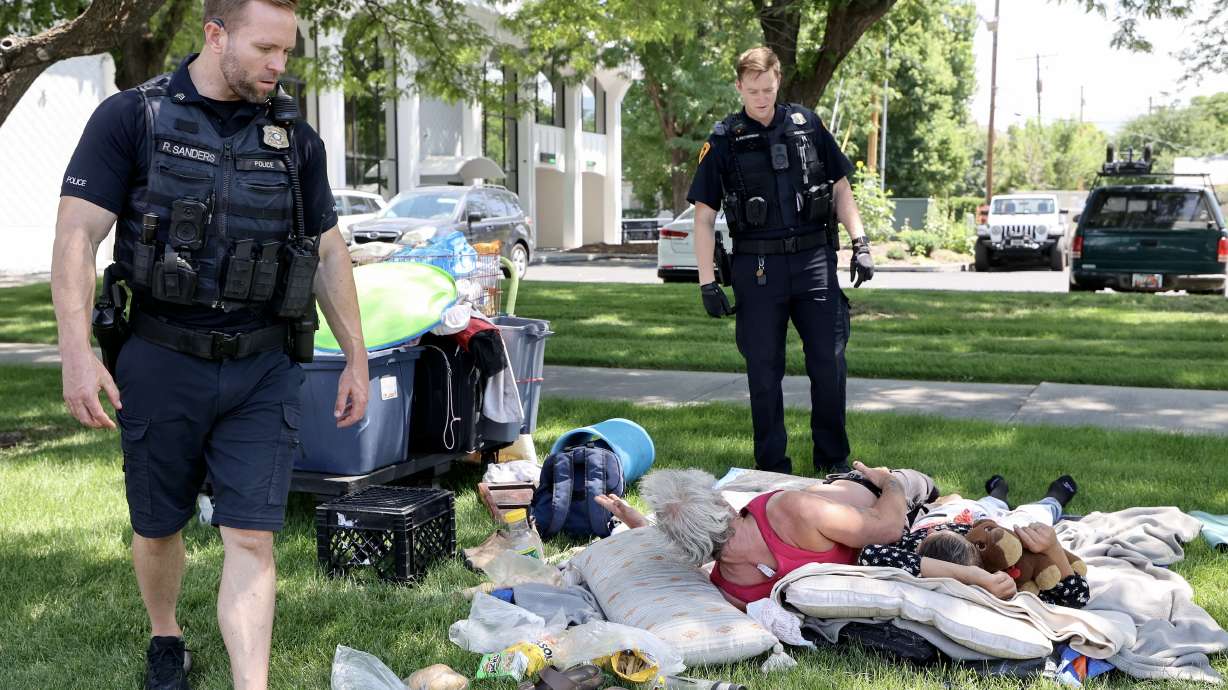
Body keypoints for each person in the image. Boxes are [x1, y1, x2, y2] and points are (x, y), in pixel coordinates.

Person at [51, 1, 367, 688]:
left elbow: (326, 249)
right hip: (161, 357)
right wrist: (76, 352)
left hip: (263, 364)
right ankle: (166, 634)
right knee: (158, 524)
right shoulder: (134, 117)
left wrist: (357, 356)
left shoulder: (294, 137)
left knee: (252, 534)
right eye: (265, 49)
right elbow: (77, 235)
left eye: (288, 52)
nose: (279, 66)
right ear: (215, 34)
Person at [686, 46, 876, 477]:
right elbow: (703, 217)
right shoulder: (723, 141)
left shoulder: (807, 125)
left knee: (829, 363)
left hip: (813, 262)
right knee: (763, 372)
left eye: (768, 89)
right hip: (758, 270)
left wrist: (860, 241)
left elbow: (841, 186)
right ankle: (772, 467)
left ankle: (833, 462)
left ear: (778, 82)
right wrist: (706, 282)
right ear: (738, 87)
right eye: (752, 91)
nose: (761, 98)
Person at [595, 463, 937, 610]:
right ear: (723, 504)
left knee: (923, 493)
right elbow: (889, 528)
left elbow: (690, 558)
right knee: (921, 488)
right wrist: (890, 481)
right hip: (883, 500)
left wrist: (643, 525)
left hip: (860, 494)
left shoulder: (726, 587)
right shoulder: (791, 510)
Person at [858, 474, 1090, 608]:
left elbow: (869, 553)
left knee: (988, 504)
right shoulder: (992, 572)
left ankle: (999, 492)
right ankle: (1054, 498)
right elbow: (1078, 597)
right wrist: (1053, 548)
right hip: (990, 536)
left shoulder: (908, 548)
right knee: (1033, 517)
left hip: (969, 519)